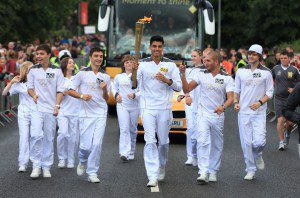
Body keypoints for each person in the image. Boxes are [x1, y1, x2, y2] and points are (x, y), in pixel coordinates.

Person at [180, 51, 234, 184]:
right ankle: (203, 172)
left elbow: (231, 98)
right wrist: (182, 75)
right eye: (204, 60)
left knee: (216, 143)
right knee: (202, 141)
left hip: (217, 115)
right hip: (202, 114)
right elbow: (187, 88)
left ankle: (213, 171)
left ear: (216, 62)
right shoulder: (200, 75)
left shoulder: (226, 78)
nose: (205, 62)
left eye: (208, 60)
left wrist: (223, 106)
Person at [136, 35, 182, 187]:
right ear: (150, 47)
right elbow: (133, 85)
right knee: (150, 140)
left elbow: (178, 86)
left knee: (163, 142)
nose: (157, 49)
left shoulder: (170, 65)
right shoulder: (142, 64)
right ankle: (152, 175)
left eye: (159, 46)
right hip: (148, 107)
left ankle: (161, 165)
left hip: (164, 107)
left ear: (163, 48)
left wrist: (166, 80)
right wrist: (134, 72)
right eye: (154, 46)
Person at [68, 47, 110, 183]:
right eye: (96, 56)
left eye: (101, 56)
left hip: (100, 113)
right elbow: (70, 90)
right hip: (85, 113)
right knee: (85, 146)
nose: (99, 58)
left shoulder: (105, 76)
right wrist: (82, 95)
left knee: (97, 144)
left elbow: (107, 98)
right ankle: (82, 160)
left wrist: (104, 90)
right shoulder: (81, 74)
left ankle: (92, 172)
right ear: (90, 57)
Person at [234, 44, 274, 180]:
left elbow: (270, 91)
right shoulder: (241, 71)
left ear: (260, 56)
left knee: (259, 142)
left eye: (254, 54)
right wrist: (235, 102)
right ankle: (250, 169)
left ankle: (258, 155)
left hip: (259, 112)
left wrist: (260, 102)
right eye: (249, 53)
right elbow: (237, 90)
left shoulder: (266, 72)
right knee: (246, 143)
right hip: (244, 112)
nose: (250, 56)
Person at [27, 44, 65, 179]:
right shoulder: (32, 70)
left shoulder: (57, 71)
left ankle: (46, 166)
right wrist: (33, 95)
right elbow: (29, 88)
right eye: (37, 54)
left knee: (49, 137)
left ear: (49, 55)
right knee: (36, 135)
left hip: (51, 108)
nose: (38, 56)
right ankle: (36, 165)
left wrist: (57, 105)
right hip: (36, 108)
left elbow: (60, 90)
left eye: (41, 54)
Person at [2, 61, 35, 172]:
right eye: (31, 69)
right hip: (24, 113)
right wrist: (11, 82)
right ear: (25, 70)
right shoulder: (19, 84)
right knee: (24, 136)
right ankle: (23, 163)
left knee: (36, 136)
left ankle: (36, 161)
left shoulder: (37, 82)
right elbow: (4, 93)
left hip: (37, 112)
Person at [177, 49, 205, 166]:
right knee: (191, 130)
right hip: (190, 103)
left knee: (200, 131)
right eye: (191, 56)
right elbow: (185, 85)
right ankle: (190, 156)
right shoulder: (188, 70)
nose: (192, 58)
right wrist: (184, 95)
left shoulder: (206, 70)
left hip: (202, 104)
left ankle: (198, 156)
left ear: (201, 57)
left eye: (194, 56)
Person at [56, 57, 85, 169]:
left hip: (75, 110)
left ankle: (71, 159)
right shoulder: (60, 79)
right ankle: (62, 158)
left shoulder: (77, 78)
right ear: (64, 65)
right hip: (63, 109)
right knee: (62, 133)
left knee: (73, 137)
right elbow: (54, 92)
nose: (72, 64)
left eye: (73, 62)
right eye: (70, 62)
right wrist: (60, 94)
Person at [112, 55, 139, 162]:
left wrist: (135, 95)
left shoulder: (138, 76)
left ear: (134, 64)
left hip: (135, 106)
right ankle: (124, 152)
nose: (129, 64)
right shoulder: (119, 77)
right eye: (127, 62)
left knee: (133, 129)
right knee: (124, 129)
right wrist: (116, 95)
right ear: (124, 64)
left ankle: (131, 151)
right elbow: (114, 88)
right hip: (122, 105)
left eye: (131, 62)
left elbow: (144, 90)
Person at [272, 50, 300, 150]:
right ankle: (281, 142)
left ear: (289, 58)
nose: (283, 60)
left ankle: (287, 134)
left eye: (285, 58)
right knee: (280, 120)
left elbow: (299, 83)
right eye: (281, 58)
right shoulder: (275, 68)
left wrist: (294, 89)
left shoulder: (294, 70)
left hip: (290, 100)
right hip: (279, 98)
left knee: (290, 123)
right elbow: (272, 80)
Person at [282, 82, 300, 157]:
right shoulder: (299, 87)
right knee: (289, 124)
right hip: (286, 105)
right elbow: (286, 109)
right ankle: (286, 136)